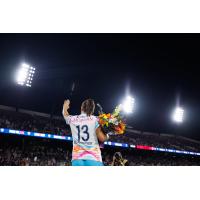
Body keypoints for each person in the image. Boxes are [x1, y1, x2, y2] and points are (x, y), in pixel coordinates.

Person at [62, 99, 109, 166]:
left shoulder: (73, 119)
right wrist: (107, 135)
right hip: (94, 158)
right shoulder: (96, 120)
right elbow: (102, 138)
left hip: (77, 159)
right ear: (92, 110)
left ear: (81, 107)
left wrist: (65, 107)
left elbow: (65, 114)